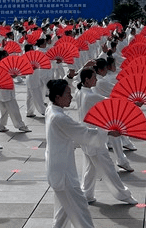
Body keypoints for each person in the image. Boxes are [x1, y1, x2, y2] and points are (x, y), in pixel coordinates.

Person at [45, 78, 116, 228]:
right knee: (80, 210)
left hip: (56, 169)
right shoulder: (59, 118)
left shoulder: (50, 109)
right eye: (67, 94)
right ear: (57, 97)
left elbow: (72, 135)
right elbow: (84, 133)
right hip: (63, 173)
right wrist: (107, 133)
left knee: (62, 213)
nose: (71, 97)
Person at [73, 68, 138, 205]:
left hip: (86, 137)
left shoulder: (79, 92)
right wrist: (133, 103)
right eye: (93, 78)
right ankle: (124, 195)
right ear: (86, 80)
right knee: (108, 169)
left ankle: (87, 194)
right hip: (94, 137)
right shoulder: (90, 96)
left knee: (90, 168)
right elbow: (112, 102)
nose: (96, 80)